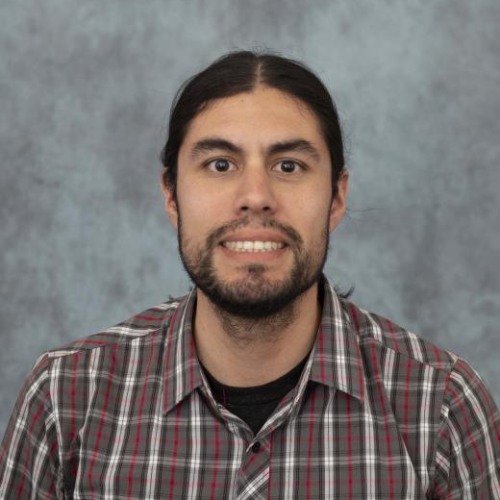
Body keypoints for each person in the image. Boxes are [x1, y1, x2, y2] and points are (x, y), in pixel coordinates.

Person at [1, 51, 499, 499]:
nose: (256, 194)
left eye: (288, 165)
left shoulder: (443, 407)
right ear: (172, 195)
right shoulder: (66, 399)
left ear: (337, 198)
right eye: (220, 164)